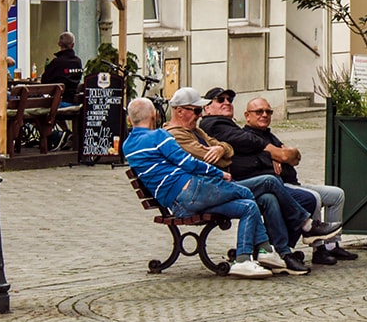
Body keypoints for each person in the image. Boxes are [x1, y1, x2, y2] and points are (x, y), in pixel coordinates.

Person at [123, 97, 285, 279]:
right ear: (154, 115)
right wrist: (219, 174)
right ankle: (264, 250)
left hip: (178, 206)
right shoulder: (159, 136)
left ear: (130, 119)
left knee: (248, 205)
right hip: (191, 191)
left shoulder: (127, 145)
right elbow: (188, 162)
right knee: (245, 191)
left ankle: (244, 257)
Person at [164, 86, 321, 274]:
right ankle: (305, 224)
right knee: (269, 182)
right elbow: (208, 156)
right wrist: (222, 152)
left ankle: (281, 253)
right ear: (179, 111)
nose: (199, 115)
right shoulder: (176, 134)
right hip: (202, 194)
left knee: (268, 199)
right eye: (197, 111)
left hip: (214, 189)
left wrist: (221, 149)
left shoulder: (196, 131)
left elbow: (227, 149)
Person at [200, 89, 351, 265]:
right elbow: (245, 148)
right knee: (306, 197)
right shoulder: (215, 125)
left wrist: (283, 154)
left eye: (229, 99)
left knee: (334, 194)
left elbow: (292, 158)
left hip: (274, 182)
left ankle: (291, 248)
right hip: (235, 185)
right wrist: (272, 153)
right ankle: (297, 241)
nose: (227, 102)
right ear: (207, 108)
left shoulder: (253, 131)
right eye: (220, 100)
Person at [41, 32, 83, 100]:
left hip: (59, 101)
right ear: (73, 45)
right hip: (74, 101)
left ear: (59, 44)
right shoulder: (78, 62)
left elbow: (44, 80)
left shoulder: (57, 62)